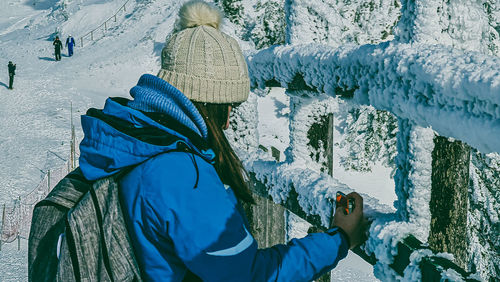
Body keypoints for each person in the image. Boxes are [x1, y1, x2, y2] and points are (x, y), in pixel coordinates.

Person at [77, 1, 366, 281]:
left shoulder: (131, 142)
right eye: (229, 107)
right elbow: (250, 277)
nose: (227, 122)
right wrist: (338, 240)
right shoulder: (180, 175)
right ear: (211, 103)